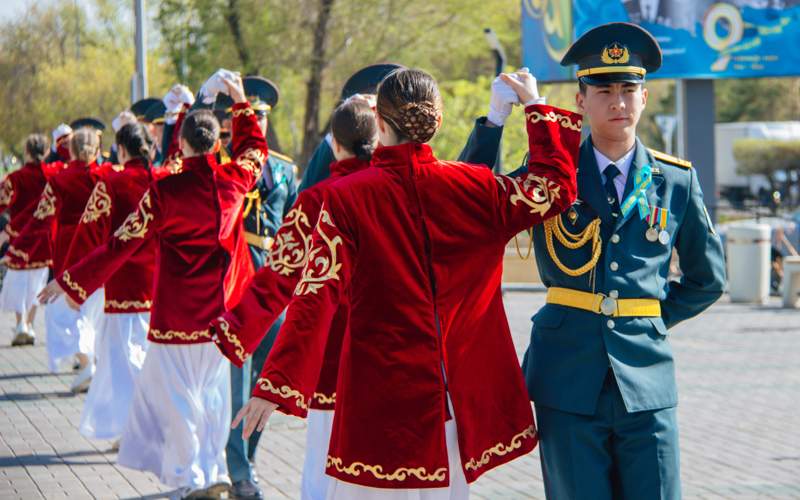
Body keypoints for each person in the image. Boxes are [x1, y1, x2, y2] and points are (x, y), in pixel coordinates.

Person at [231, 67, 580, 499]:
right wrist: (535, 107)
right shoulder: (476, 186)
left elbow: (315, 297)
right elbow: (553, 187)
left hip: (378, 398)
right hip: (453, 399)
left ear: (380, 124)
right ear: (437, 121)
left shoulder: (346, 199)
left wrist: (274, 384)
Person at [517, 22, 726, 499]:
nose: (618, 101)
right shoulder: (551, 175)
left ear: (645, 97)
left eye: (629, 89)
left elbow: (708, 279)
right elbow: (477, 195)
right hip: (566, 378)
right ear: (580, 100)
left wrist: (646, 317)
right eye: (603, 89)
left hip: (645, 382)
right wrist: (494, 122)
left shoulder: (676, 181)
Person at [39, 71, 267, 499]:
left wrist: (71, 283)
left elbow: (119, 244)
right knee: (213, 394)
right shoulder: (234, 180)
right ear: (216, 143)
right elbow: (256, 149)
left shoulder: (165, 191)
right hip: (221, 314)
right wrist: (238, 99)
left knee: (177, 398)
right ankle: (212, 466)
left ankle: (189, 475)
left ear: (179, 145)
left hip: (177, 315)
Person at [209, 75, 299, 500]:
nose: (256, 126)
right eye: (250, 118)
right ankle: (239, 469)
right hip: (235, 280)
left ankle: (249, 457)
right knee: (236, 385)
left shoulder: (283, 169)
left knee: (270, 383)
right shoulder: (223, 166)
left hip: (274, 280)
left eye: (262, 119)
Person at [63, 122, 157, 444]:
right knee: (147, 355)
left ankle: (134, 428)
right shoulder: (164, 182)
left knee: (123, 360)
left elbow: (89, 234)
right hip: (161, 287)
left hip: (123, 284)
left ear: (121, 148)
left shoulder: (111, 182)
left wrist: (75, 283)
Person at [11, 127, 107, 391]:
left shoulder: (60, 179)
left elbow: (39, 219)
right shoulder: (105, 177)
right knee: (94, 310)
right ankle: (91, 362)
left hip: (70, 250)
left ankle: (86, 361)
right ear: (98, 151)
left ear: (71, 150)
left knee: (64, 311)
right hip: (99, 249)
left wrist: (15, 244)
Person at [0, 134, 52, 345]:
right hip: (43, 239)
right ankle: (29, 326)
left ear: (27, 152)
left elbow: (2, 203)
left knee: (19, 283)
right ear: (46, 151)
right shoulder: (51, 177)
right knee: (37, 285)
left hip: (20, 239)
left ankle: (21, 323)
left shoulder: (15, 178)